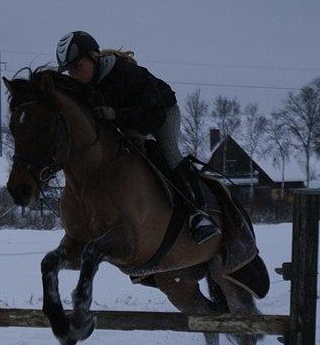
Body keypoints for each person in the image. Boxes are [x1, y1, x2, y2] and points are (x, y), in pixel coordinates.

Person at [55, 31, 220, 244]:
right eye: (69, 71)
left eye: (77, 66)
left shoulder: (127, 74)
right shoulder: (84, 86)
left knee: (168, 153)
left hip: (161, 112)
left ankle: (198, 214)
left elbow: (153, 116)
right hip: (126, 119)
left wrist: (115, 114)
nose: (74, 74)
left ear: (94, 58)